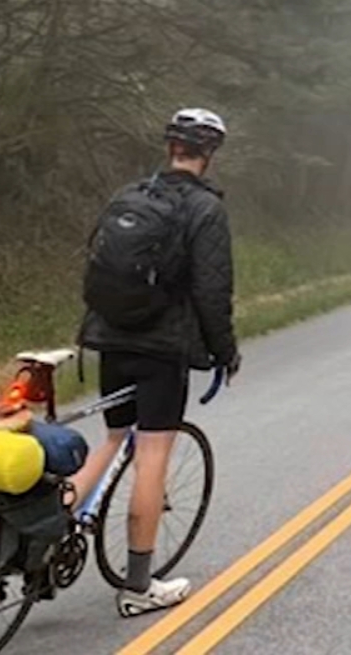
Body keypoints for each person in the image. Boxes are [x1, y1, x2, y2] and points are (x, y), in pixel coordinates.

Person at [67, 107, 242, 617]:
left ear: (171, 148)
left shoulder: (129, 196)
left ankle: (50, 528)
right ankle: (138, 587)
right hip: (161, 349)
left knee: (115, 438)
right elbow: (213, 292)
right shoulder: (206, 211)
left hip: (110, 338)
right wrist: (224, 352)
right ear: (208, 155)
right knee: (152, 455)